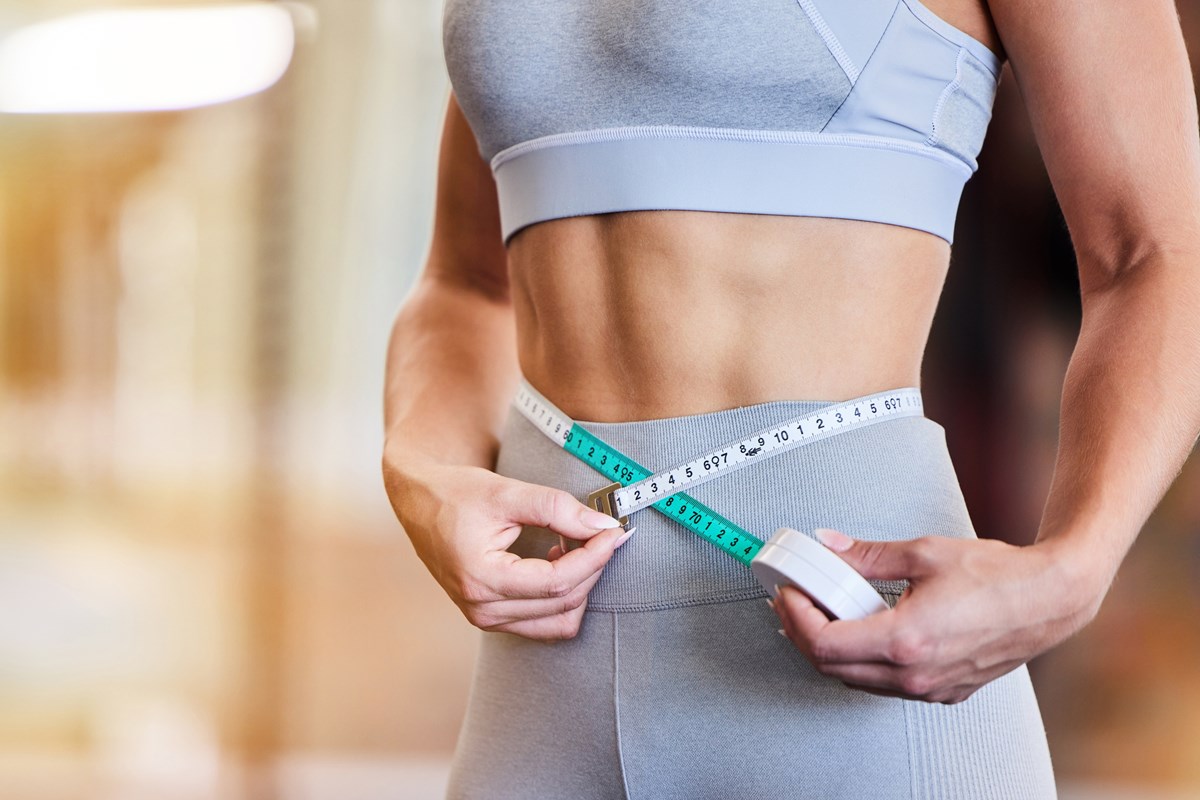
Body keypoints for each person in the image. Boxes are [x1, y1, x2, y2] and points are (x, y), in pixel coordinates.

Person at [382, 0, 1200, 797]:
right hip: (540, 699)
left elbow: (1158, 256)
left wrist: (1072, 571)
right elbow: (466, 285)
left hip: (867, 668)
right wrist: (418, 466)